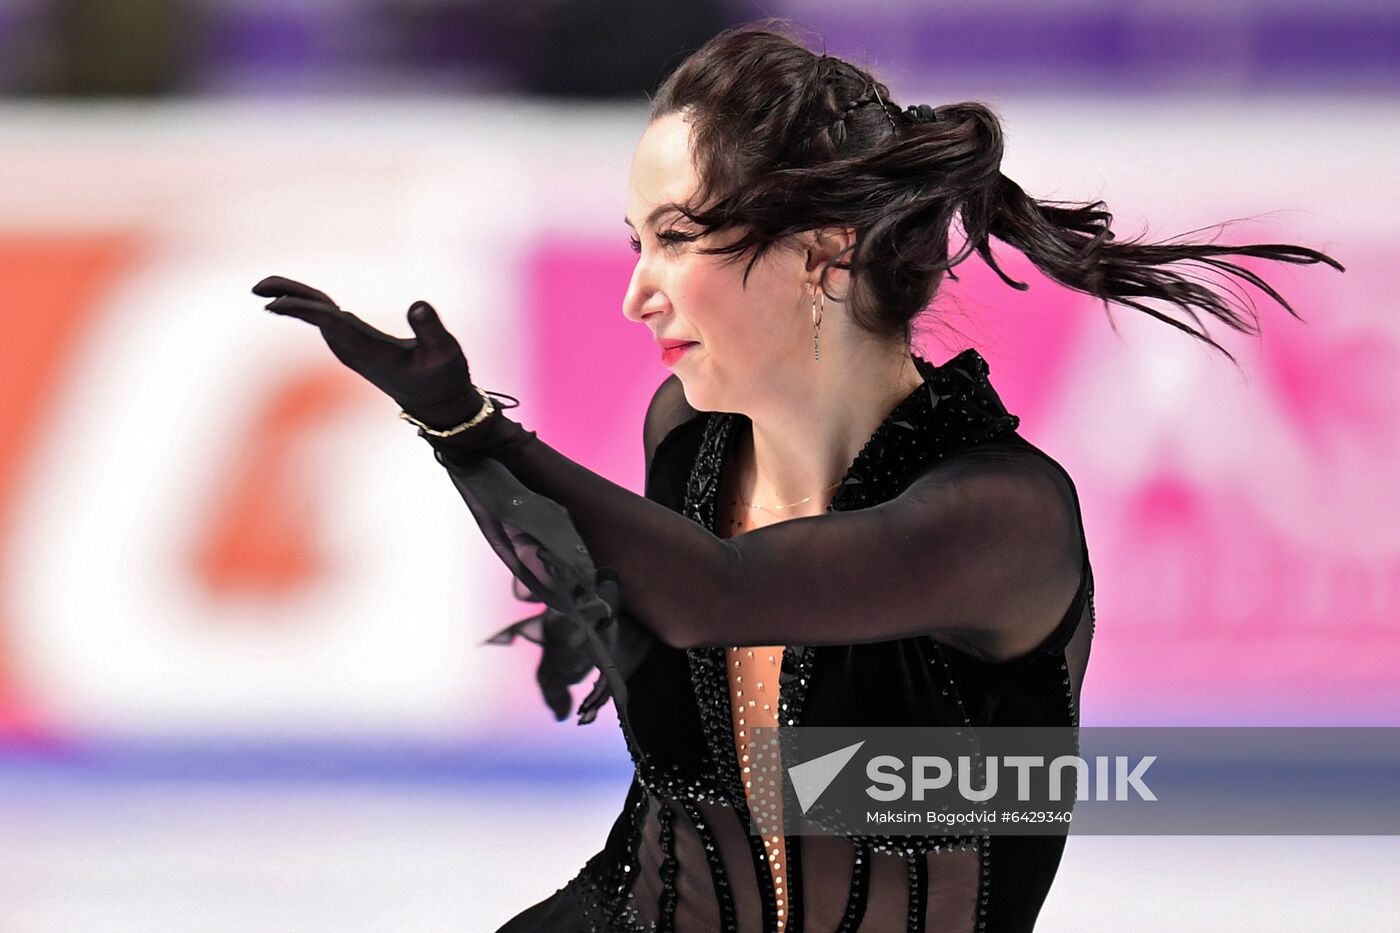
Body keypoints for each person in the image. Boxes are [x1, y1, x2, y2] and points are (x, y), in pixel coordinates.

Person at [251, 21, 1343, 933]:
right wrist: (481, 460)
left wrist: (467, 425)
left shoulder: (999, 517)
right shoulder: (686, 434)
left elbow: (719, 598)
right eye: (634, 241)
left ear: (823, 252)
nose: (638, 293)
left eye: (677, 237)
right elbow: (656, 696)